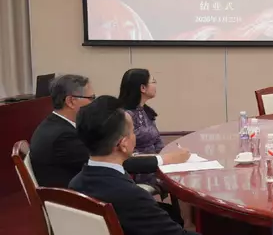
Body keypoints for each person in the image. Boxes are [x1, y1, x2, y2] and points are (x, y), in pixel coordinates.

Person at [67, 96, 211, 235]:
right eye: (133, 131)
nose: (135, 136)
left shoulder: (76, 183)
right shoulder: (129, 195)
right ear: (123, 144)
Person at [29, 74, 187, 189]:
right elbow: (110, 161)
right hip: (82, 203)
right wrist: (164, 160)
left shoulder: (57, 125)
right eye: (91, 98)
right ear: (71, 101)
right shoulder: (62, 137)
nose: (94, 103)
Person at [117, 68, 165, 155]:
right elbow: (123, 149)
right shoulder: (124, 115)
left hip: (155, 159)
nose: (155, 85)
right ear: (143, 88)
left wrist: (164, 155)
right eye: (153, 81)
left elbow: (158, 141)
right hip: (136, 161)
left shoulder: (147, 112)